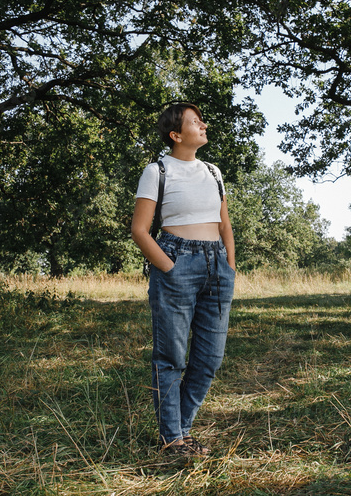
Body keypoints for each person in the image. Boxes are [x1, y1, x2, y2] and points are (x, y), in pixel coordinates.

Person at [131, 103, 236, 460]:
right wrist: (169, 267)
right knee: (171, 356)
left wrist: (230, 265)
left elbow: (224, 224)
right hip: (178, 260)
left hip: (217, 266)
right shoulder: (157, 170)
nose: (203, 124)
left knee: (209, 358)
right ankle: (174, 438)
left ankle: (181, 429)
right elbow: (140, 230)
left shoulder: (213, 171)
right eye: (195, 121)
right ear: (176, 135)